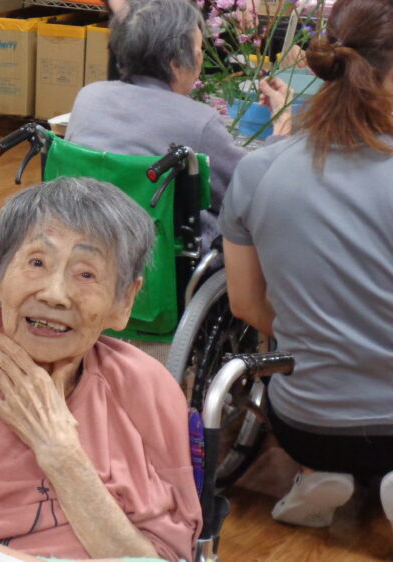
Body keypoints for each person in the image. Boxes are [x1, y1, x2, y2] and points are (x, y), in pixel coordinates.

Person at [0, 178, 201, 560]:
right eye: (37, 263)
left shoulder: (144, 391)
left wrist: (62, 455)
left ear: (123, 301)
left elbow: (165, 556)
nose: (54, 294)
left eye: (86, 274)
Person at [219, 0, 393, 529]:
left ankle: (317, 473)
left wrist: (316, 337)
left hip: (305, 424)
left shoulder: (260, 171)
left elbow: (245, 304)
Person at [65, 0, 291, 239]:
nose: (201, 59)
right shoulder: (198, 122)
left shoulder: (89, 97)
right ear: (175, 64)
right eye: (199, 51)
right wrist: (282, 121)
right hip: (156, 250)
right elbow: (256, 191)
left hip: (84, 235)